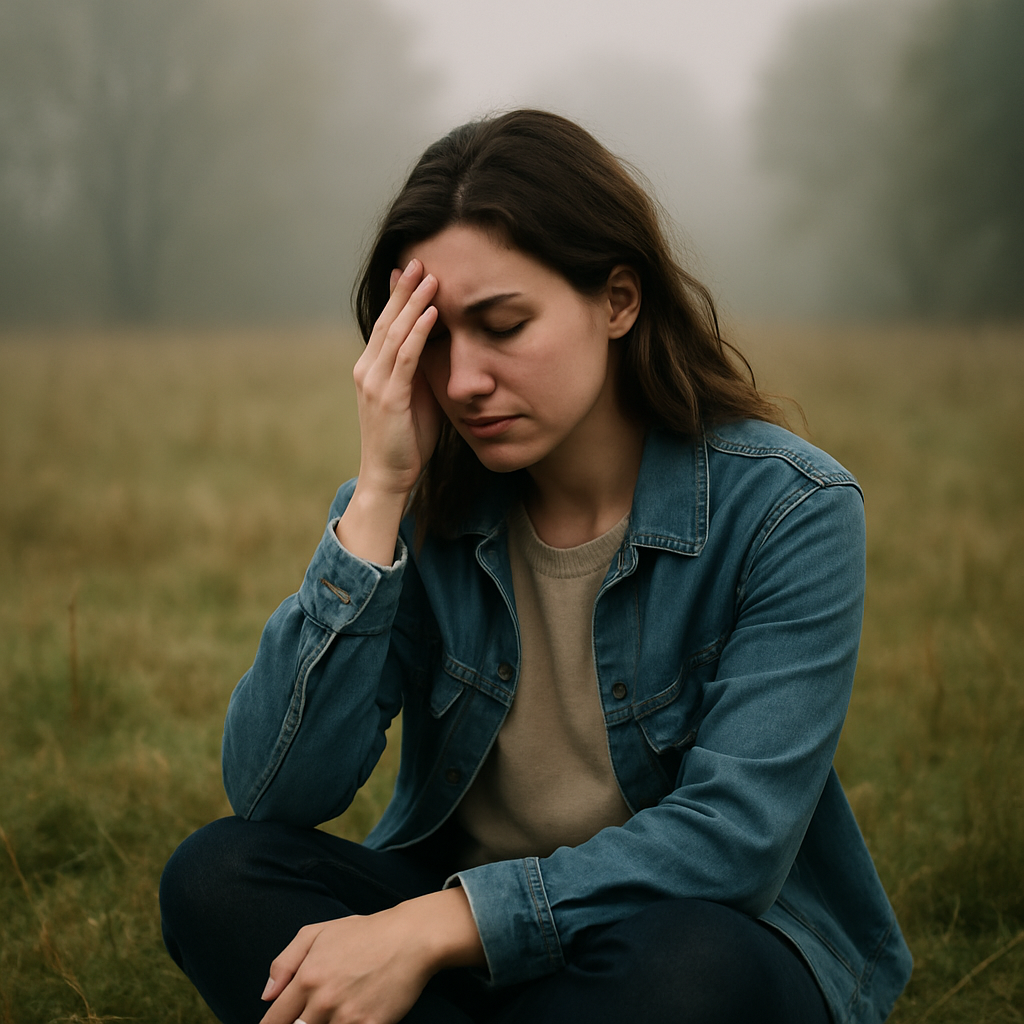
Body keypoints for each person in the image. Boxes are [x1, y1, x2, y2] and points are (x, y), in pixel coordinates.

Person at [160, 109, 912, 1024]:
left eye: (502, 325)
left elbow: (733, 845)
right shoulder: (415, 508)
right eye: (431, 339)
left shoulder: (790, 511)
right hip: (477, 939)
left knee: (686, 968)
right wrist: (378, 493)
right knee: (215, 875)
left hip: (680, 943)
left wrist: (439, 924)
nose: (463, 378)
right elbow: (275, 794)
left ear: (618, 302)